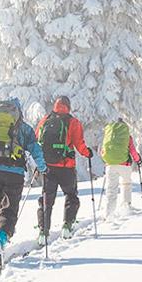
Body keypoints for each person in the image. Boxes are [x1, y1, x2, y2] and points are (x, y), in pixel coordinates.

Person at [0, 98, 46, 273]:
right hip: (14, 172)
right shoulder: (23, 128)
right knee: (9, 210)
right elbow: (36, 150)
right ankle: (0, 241)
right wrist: (42, 168)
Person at [34, 95, 91, 242]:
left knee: (47, 198)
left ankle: (43, 231)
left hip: (47, 167)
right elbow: (79, 144)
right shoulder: (73, 122)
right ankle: (67, 225)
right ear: (68, 107)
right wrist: (88, 153)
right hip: (66, 166)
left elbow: (37, 140)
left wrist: (39, 160)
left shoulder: (45, 120)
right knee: (71, 195)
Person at [99, 116, 140, 218]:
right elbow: (132, 150)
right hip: (124, 165)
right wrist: (138, 159)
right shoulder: (127, 137)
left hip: (110, 165)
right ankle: (126, 206)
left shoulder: (110, 136)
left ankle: (108, 213)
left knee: (111, 188)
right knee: (126, 183)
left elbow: (102, 152)